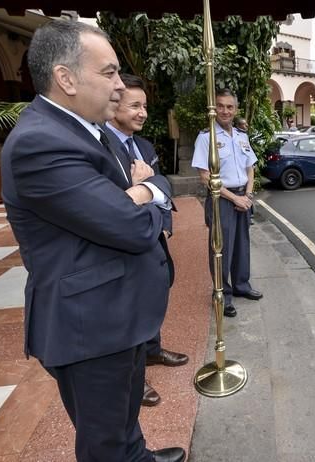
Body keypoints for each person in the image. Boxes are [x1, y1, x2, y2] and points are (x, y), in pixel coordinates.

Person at [0, 21, 185, 462]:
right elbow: (134, 226)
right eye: (109, 73)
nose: (119, 87)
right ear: (65, 78)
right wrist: (148, 193)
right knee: (103, 442)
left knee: (123, 417)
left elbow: (144, 190)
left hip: (116, 314)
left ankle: (137, 455)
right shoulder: (40, 142)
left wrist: (143, 191)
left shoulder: (87, 129)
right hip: (90, 326)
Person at [106, 73, 189, 408]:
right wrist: (143, 190)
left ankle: (153, 351)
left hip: (155, 239)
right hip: (124, 246)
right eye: (134, 105)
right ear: (114, 107)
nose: (142, 113)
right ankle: (133, 381)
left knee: (154, 297)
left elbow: (161, 185)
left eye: (144, 106)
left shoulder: (145, 146)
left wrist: (165, 224)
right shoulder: (101, 147)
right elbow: (114, 204)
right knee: (129, 314)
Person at [192, 89, 262, 318]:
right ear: (214, 109)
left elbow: (250, 168)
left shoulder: (241, 136)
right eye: (220, 106)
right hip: (222, 200)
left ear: (236, 110)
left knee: (242, 245)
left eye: (229, 107)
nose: (225, 111)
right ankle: (223, 294)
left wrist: (248, 197)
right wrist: (235, 199)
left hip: (244, 197)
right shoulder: (206, 137)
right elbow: (205, 177)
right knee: (221, 249)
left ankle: (242, 285)